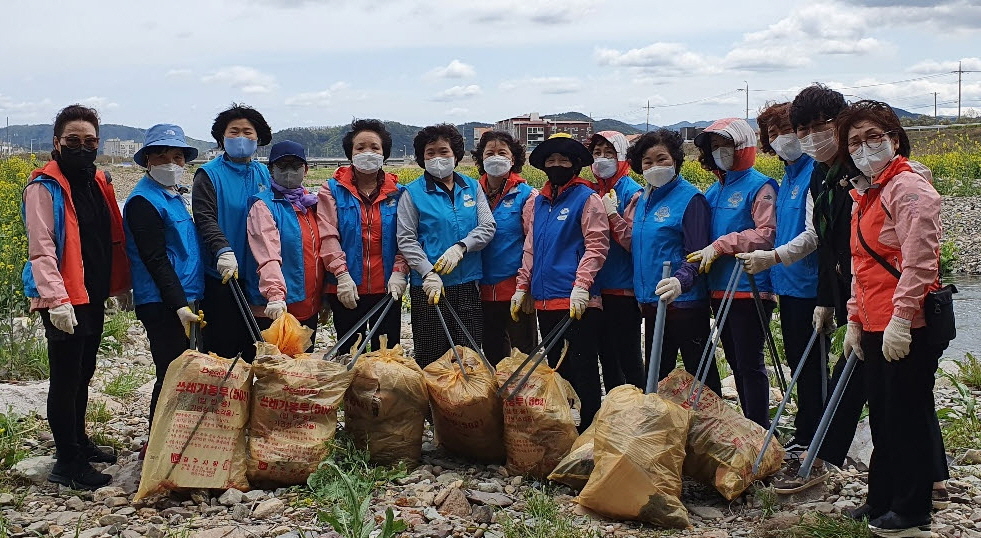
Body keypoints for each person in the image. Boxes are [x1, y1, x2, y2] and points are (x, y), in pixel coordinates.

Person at [838, 101, 949, 537]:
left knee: (907, 413)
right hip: (873, 321)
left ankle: (912, 507)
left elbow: (920, 262)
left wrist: (902, 319)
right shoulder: (866, 193)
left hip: (907, 324)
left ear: (894, 138)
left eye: (872, 136)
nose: (864, 147)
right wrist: (853, 318)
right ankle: (880, 497)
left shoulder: (908, 189)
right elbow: (860, 264)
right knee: (883, 412)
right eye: (854, 141)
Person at [22, 104, 131, 488]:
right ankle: (67, 463)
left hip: (92, 293)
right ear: (57, 142)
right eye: (73, 141)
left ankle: (79, 442)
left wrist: (118, 287)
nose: (82, 147)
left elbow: (107, 238)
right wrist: (56, 300)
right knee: (65, 378)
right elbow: (42, 248)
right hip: (64, 298)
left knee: (84, 371)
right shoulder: (43, 187)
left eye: (90, 141)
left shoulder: (96, 182)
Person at [736, 103, 826, 462]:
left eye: (786, 130)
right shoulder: (788, 175)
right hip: (786, 284)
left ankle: (815, 436)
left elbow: (814, 235)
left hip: (808, 285)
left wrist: (772, 258)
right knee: (797, 363)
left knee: (811, 363)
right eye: (772, 134)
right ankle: (806, 432)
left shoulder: (813, 173)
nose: (781, 139)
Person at [608, 129, 721, 395]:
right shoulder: (644, 198)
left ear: (676, 161)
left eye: (662, 159)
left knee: (699, 371)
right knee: (658, 373)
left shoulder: (690, 199)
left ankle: (713, 427)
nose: (655, 166)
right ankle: (665, 428)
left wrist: (680, 282)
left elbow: (697, 253)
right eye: (648, 162)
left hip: (683, 302)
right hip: (651, 301)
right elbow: (639, 246)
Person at [512, 133, 609, 432]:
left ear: (576, 164)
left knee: (583, 366)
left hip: (576, 300)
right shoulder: (537, 203)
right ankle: (564, 425)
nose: (557, 165)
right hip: (545, 298)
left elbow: (596, 245)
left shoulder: (587, 198)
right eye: (551, 160)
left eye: (563, 160)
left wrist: (581, 286)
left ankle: (591, 426)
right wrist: (522, 286)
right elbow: (531, 247)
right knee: (557, 366)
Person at [688, 118, 777, 429]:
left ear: (742, 146)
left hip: (749, 286)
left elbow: (766, 234)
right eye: (714, 147)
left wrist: (724, 244)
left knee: (750, 363)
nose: (719, 152)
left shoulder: (760, 186)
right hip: (718, 287)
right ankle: (744, 427)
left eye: (725, 145)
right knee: (735, 362)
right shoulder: (714, 191)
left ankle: (759, 428)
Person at [124, 124, 205, 452]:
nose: (171, 163)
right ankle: (157, 444)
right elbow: (156, 259)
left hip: (187, 296)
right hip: (162, 302)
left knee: (185, 370)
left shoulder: (173, 197)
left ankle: (180, 439)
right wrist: (179, 305)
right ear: (147, 160)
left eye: (177, 156)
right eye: (162, 156)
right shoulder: (143, 201)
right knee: (171, 372)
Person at [397, 124, 495, 366]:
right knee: (431, 356)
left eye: (444, 151)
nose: (437, 158)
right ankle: (432, 404)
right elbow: (406, 238)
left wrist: (461, 247)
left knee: (467, 356)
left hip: (467, 283)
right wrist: (427, 272)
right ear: (421, 157)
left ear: (455, 155)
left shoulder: (472, 187)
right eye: (430, 153)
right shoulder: (413, 193)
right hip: (430, 287)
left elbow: (487, 226)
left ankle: (464, 404)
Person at [192, 104, 272, 361]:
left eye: (247, 132)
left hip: (257, 273)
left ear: (258, 138)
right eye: (234, 131)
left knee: (257, 348)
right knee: (222, 350)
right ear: (222, 137)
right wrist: (222, 250)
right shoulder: (208, 174)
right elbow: (205, 218)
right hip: (222, 274)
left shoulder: (262, 172)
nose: (241, 137)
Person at [318, 120, 406, 352]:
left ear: (384, 153)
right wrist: (342, 276)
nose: (367, 152)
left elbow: (406, 238)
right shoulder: (332, 190)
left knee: (386, 357)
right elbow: (328, 235)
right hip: (347, 288)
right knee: (348, 353)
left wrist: (399, 273)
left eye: (374, 147)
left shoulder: (399, 193)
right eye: (360, 147)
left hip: (387, 289)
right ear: (350, 153)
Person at [246, 140, 323, 350]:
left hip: (308, 304)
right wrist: (275, 296)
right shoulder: (263, 206)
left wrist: (324, 297)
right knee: (277, 376)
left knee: (302, 372)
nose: (289, 172)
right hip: (277, 308)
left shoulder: (312, 205)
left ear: (305, 170)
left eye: (296, 166)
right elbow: (267, 254)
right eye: (282, 166)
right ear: (271, 170)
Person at [472, 130, 538, 364]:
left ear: (513, 159)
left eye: (502, 152)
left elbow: (534, 243)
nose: (495, 157)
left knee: (523, 357)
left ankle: (523, 401)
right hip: (479, 290)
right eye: (490, 153)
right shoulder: (471, 192)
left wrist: (528, 286)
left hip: (515, 289)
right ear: (481, 159)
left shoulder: (526, 195)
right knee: (492, 355)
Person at [589, 131, 645, 390]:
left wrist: (612, 216)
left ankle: (638, 412)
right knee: (606, 357)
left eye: (609, 154)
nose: (602, 159)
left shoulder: (633, 192)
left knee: (628, 358)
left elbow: (635, 242)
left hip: (623, 288)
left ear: (621, 157)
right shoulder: (594, 190)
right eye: (597, 153)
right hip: (598, 288)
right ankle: (615, 415)